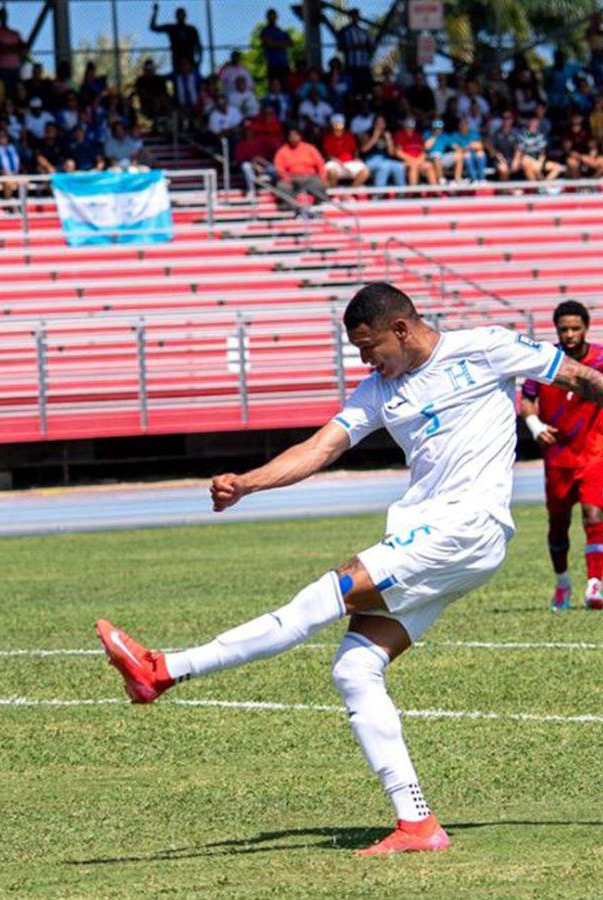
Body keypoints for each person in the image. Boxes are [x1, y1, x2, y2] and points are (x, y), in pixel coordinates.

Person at [96, 282, 603, 855]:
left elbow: (584, 381)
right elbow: (321, 447)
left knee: (322, 596)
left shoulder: (484, 347)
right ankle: (418, 824)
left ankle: (164, 670)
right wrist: (247, 483)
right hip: (439, 536)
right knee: (355, 669)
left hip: (467, 525)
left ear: (402, 330)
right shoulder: (378, 391)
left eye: (369, 348)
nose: (366, 360)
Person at [520, 302, 603, 610]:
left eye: (575, 328)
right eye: (563, 329)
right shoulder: (545, 361)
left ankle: (596, 585)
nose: (569, 334)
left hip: (594, 452)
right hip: (557, 456)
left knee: (594, 515)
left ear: (586, 328)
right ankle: (563, 583)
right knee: (558, 523)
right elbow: (527, 399)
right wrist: (534, 423)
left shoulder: (600, 359)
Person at [272, 127, 328, 209]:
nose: (293, 137)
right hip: (291, 178)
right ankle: (294, 208)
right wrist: (287, 178)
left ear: (300, 136)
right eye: (291, 136)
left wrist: (323, 177)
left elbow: (320, 163)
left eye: (296, 135)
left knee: (320, 184)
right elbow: (279, 168)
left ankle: (316, 208)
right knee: (282, 186)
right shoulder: (282, 151)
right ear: (288, 137)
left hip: (309, 177)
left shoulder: (309, 148)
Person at [150, 4, 202, 75]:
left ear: (185, 16)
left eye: (182, 15)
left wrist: (198, 63)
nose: (180, 17)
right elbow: (153, 27)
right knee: (178, 82)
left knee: (192, 82)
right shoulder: (172, 28)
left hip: (190, 62)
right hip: (177, 62)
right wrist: (155, 12)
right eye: (179, 15)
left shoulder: (192, 30)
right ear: (176, 17)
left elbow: (199, 47)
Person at [322, 114, 368, 186]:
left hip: (349, 163)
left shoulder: (349, 135)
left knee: (365, 172)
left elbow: (354, 150)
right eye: (336, 124)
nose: (338, 126)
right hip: (335, 163)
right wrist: (342, 164)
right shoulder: (328, 137)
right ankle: (334, 194)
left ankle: (351, 192)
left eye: (340, 123)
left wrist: (356, 158)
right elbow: (328, 156)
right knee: (332, 171)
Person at [0, 8, 25, 98]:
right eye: (1, 15)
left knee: (17, 91)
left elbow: (23, 47)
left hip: (16, 66)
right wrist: (12, 47)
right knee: (5, 92)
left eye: (4, 15)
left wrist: (5, 47)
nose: (3, 17)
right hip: (3, 67)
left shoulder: (14, 33)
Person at [337, 9, 373, 95]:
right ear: (350, 17)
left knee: (365, 90)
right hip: (351, 66)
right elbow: (340, 47)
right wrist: (353, 47)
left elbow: (370, 47)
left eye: (356, 16)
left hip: (363, 65)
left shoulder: (364, 31)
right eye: (352, 16)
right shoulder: (344, 31)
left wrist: (367, 46)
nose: (354, 18)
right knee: (351, 89)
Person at [259, 9, 293, 84]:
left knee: (286, 85)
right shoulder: (265, 31)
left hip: (284, 64)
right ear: (267, 18)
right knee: (273, 85)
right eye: (270, 16)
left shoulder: (281, 31)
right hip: (272, 64)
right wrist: (282, 44)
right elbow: (269, 44)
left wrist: (276, 44)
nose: (272, 18)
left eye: (274, 16)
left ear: (276, 17)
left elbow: (291, 43)